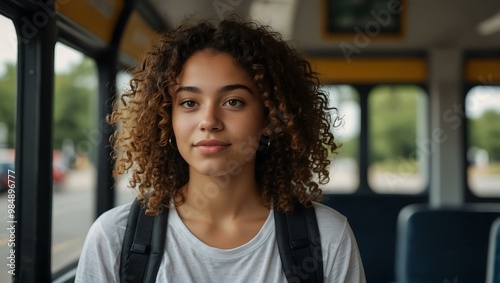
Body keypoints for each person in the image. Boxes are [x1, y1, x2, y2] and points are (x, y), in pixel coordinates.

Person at [75, 17, 365, 282]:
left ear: (269, 118)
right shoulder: (114, 237)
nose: (209, 122)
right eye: (189, 103)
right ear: (166, 118)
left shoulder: (328, 237)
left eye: (233, 102)